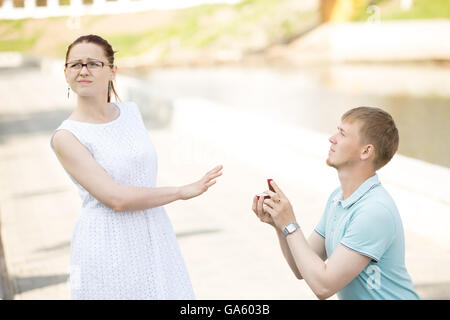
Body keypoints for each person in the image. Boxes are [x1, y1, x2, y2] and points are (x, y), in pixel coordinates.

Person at [50, 34, 223, 299]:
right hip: (106, 244)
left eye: (94, 64)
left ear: (112, 71)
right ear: (66, 73)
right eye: (75, 64)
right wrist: (179, 191)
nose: (83, 70)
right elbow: (116, 198)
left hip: (154, 232)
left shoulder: (131, 112)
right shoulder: (67, 137)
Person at [252, 106, 420, 300]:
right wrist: (280, 224)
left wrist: (290, 224)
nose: (332, 138)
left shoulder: (374, 211)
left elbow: (323, 287)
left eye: (342, 133)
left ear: (366, 151)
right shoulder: (337, 198)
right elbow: (303, 268)